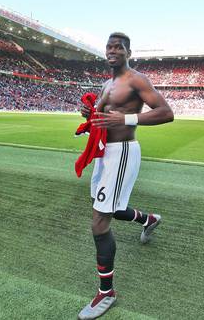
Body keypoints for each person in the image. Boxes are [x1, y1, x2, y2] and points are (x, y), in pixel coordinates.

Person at [77, 32, 174, 320]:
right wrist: (88, 114)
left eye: (119, 47)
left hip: (122, 153)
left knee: (99, 220)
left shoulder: (136, 80)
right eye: (109, 46)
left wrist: (125, 118)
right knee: (110, 206)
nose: (113, 50)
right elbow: (103, 118)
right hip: (105, 153)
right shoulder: (107, 84)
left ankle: (106, 293)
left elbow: (166, 112)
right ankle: (149, 219)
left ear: (128, 52)